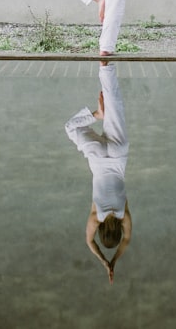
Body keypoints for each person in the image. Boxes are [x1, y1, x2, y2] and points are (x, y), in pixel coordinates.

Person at [64, 61, 132, 283]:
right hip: (98, 158)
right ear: (102, 231)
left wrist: (115, 260)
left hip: (118, 155)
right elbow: (89, 242)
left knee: (116, 105)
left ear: (118, 231)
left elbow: (127, 241)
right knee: (71, 128)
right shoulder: (96, 216)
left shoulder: (124, 215)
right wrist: (104, 261)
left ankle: (106, 66)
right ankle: (96, 114)